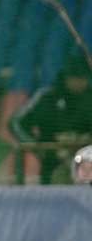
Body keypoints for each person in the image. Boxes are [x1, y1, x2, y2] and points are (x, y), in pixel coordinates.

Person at [10, 50, 92, 184]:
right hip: (53, 164)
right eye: (75, 78)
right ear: (66, 78)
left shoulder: (90, 98)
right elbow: (16, 123)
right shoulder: (46, 97)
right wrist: (35, 145)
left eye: (83, 79)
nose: (79, 83)